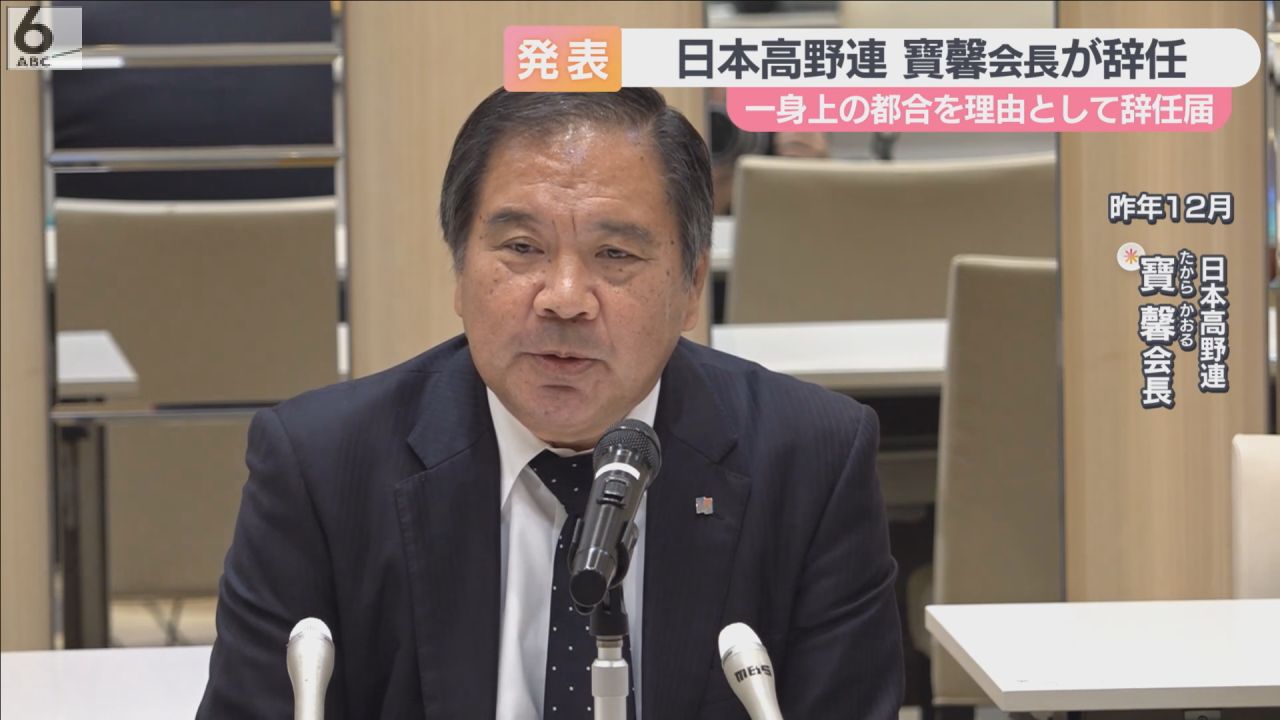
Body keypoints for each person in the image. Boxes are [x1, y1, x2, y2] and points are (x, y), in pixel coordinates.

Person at [197, 87, 903, 719]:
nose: (564, 298)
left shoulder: (810, 461)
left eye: (615, 255)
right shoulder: (322, 468)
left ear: (691, 288)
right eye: (521, 247)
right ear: (459, 270)